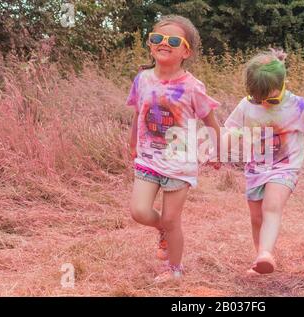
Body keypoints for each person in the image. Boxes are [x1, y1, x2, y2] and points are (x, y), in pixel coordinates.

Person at [126, 15, 221, 282]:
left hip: (179, 164)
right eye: (157, 38)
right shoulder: (143, 79)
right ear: (150, 44)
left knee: (172, 219)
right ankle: (163, 229)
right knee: (139, 212)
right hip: (148, 159)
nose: (163, 43)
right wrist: (133, 142)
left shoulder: (192, 87)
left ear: (185, 51)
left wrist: (217, 151)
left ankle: (175, 270)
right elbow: (137, 114)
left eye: (173, 40)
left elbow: (211, 122)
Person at [224, 49, 304, 275]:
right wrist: (216, 151)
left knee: (271, 208)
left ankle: (266, 252)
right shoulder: (246, 105)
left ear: (283, 86)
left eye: (271, 99)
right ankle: (260, 259)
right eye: (258, 99)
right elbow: (231, 130)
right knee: (256, 218)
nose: (264, 104)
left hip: (285, 168)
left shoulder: (296, 105)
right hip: (255, 169)